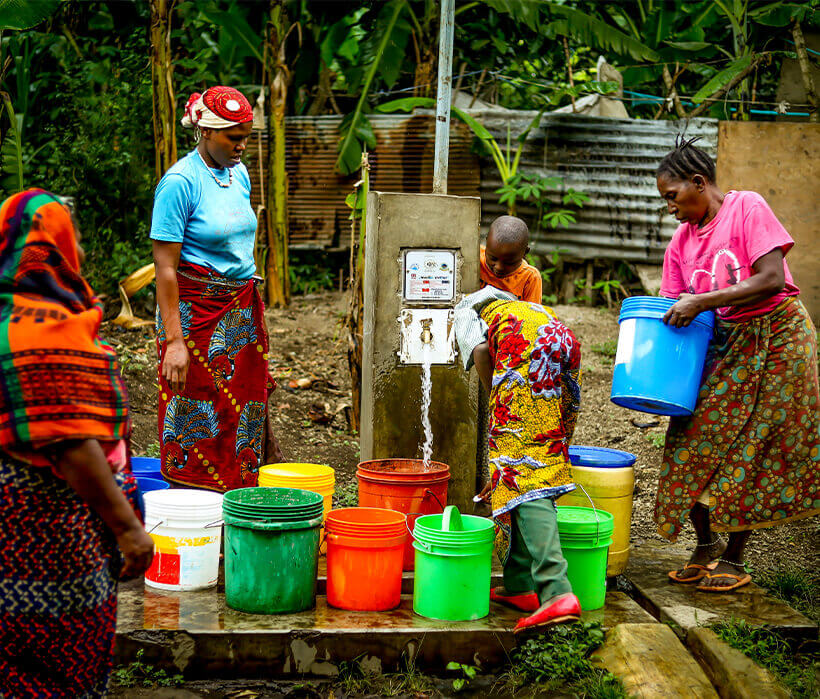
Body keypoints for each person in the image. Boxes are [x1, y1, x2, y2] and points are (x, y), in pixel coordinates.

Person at [0, 189, 154, 696]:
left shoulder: (10, 317)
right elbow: (72, 443)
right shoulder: (42, 331)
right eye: (77, 241)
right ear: (56, 248)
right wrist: (128, 530)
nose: (83, 254)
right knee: (58, 663)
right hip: (49, 535)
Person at [656, 137, 819, 592]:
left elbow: (769, 280)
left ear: (698, 182)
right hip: (728, 343)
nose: (670, 208)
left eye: (672, 196)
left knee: (752, 442)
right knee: (690, 436)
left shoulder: (746, 207)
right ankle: (704, 544)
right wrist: (663, 385)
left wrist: (704, 299)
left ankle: (734, 557)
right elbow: (676, 313)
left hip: (780, 337)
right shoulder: (681, 243)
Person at [151, 85, 283, 492]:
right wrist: (175, 342)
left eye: (246, 136)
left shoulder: (237, 173)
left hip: (238, 314)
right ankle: (195, 513)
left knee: (242, 412)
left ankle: (238, 506)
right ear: (205, 132)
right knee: (197, 417)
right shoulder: (179, 183)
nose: (242, 145)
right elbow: (165, 269)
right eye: (233, 137)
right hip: (194, 319)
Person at [455, 286, 582, 633]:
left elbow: (481, 351)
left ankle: (557, 591)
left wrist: (499, 406)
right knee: (539, 462)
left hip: (526, 357)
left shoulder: (468, 314)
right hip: (563, 343)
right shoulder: (527, 309)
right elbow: (569, 394)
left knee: (525, 474)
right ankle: (520, 585)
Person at [480, 215, 542, 303]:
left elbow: (532, 313)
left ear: (525, 253)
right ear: (487, 243)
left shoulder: (529, 278)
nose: (499, 267)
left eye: (508, 263)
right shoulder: (475, 259)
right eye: (493, 259)